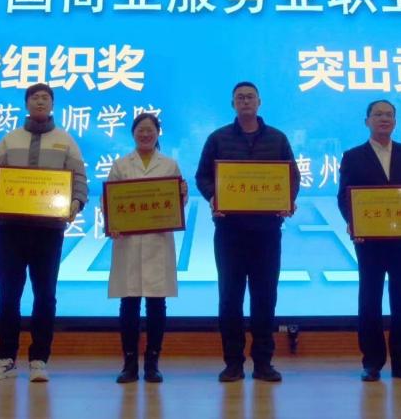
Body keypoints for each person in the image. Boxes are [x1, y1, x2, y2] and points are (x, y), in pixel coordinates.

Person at [0, 83, 88, 382]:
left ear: (52, 104)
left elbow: (79, 178)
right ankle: (5, 358)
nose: (40, 102)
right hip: (10, 229)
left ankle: (39, 359)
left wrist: (76, 203)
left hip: (48, 231)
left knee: (45, 295)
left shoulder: (65, 140)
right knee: (8, 294)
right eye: (35, 97)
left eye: (45, 98)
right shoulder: (9, 139)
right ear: (27, 104)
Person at [195, 81, 300, 383]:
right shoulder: (218, 138)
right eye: (240, 98)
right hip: (230, 232)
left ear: (259, 102)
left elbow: (292, 176)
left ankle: (264, 363)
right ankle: (233, 363)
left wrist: (287, 200)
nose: (245, 101)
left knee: (265, 298)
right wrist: (214, 197)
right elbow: (202, 176)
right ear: (233, 104)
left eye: (250, 97)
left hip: (267, 232)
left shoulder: (277, 138)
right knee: (230, 298)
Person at [337, 100, 401, 382]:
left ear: (395, 121)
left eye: (389, 115)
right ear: (367, 121)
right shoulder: (353, 156)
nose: (384, 119)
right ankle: (372, 362)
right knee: (370, 298)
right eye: (378, 114)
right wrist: (355, 223)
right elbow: (344, 197)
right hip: (369, 241)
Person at [106, 112, 188, 384]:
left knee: (156, 303)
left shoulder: (170, 165)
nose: (145, 134)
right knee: (129, 302)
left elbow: (178, 204)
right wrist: (112, 222)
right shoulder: (121, 164)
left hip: (158, 241)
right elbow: (109, 201)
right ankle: (129, 364)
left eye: (149, 130)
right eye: (140, 130)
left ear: (157, 133)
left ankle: (152, 364)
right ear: (133, 133)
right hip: (128, 243)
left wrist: (182, 195)